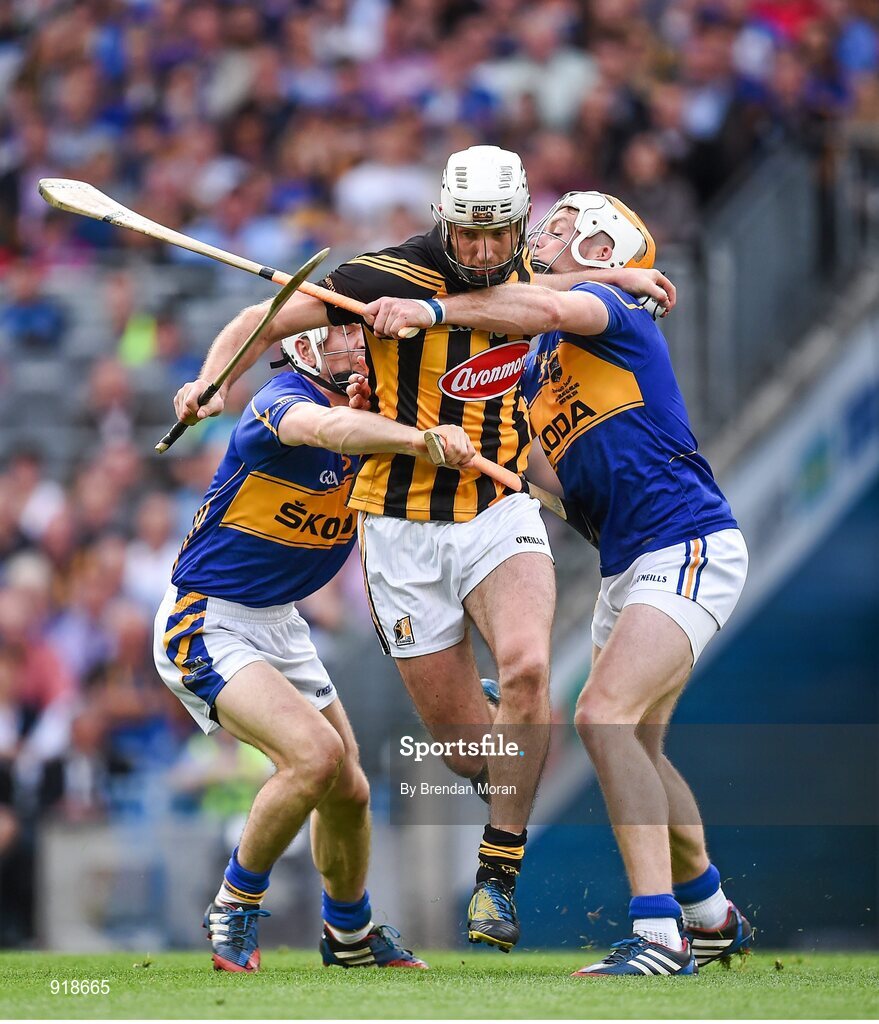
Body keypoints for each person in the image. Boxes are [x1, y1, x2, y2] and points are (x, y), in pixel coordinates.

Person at [174, 146, 673, 953]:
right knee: (470, 755)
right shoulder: (380, 276)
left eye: (499, 233)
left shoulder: (512, 270)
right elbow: (265, 319)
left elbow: (537, 298)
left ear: (517, 222)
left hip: (496, 509)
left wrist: (614, 281)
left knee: (530, 669)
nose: (483, 251)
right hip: (400, 529)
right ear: (445, 218)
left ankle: (496, 880)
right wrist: (211, 381)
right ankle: (489, 729)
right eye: (469, 234)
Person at [362, 190, 751, 977]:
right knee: (634, 739)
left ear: (604, 253)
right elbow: (546, 464)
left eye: (560, 229)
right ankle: (709, 915)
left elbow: (529, 304)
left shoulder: (607, 303)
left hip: (687, 545)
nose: (540, 233)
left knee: (602, 716)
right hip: (628, 563)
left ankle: (657, 935)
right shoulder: (538, 359)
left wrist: (426, 309)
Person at [156, 321, 475, 972]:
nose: (358, 348)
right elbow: (328, 432)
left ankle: (349, 937)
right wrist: (419, 440)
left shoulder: (376, 414)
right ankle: (234, 905)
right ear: (303, 349)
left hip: (279, 622)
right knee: (313, 758)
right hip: (209, 618)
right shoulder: (280, 401)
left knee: (349, 789)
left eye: (361, 338)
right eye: (340, 338)